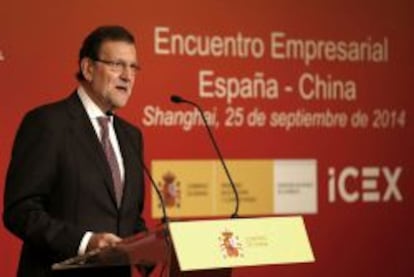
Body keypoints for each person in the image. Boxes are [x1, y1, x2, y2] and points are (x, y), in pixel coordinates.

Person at [3, 25, 148, 277]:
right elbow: (21, 210)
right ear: (88, 68)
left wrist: (155, 245)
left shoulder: (131, 136)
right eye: (117, 65)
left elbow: (129, 218)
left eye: (133, 67)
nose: (127, 75)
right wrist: (85, 243)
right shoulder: (48, 124)